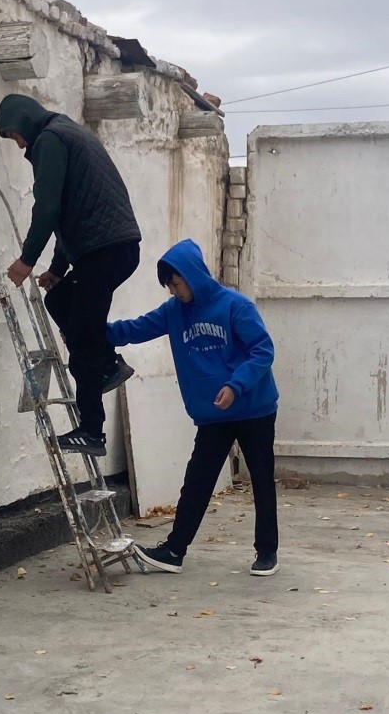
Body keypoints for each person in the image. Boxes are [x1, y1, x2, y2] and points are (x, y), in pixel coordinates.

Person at [107, 238, 280, 576]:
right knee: (197, 481)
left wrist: (235, 385)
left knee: (261, 479)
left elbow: (263, 350)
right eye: (169, 286)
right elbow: (135, 329)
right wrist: (91, 332)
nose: (173, 291)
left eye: (176, 283)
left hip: (254, 408)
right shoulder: (174, 312)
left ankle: (267, 552)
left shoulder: (235, 306)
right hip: (214, 414)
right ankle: (173, 551)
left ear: (192, 275)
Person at [0, 93, 141, 456]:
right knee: (60, 300)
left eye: (15, 135)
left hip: (104, 251)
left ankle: (92, 432)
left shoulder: (50, 139)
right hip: (111, 249)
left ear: (24, 121)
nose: (19, 144)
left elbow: (48, 207)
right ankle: (107, 363)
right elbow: (71, 211)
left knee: (83, 343)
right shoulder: (67, 132)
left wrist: (27, 260)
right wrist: (58, 269)